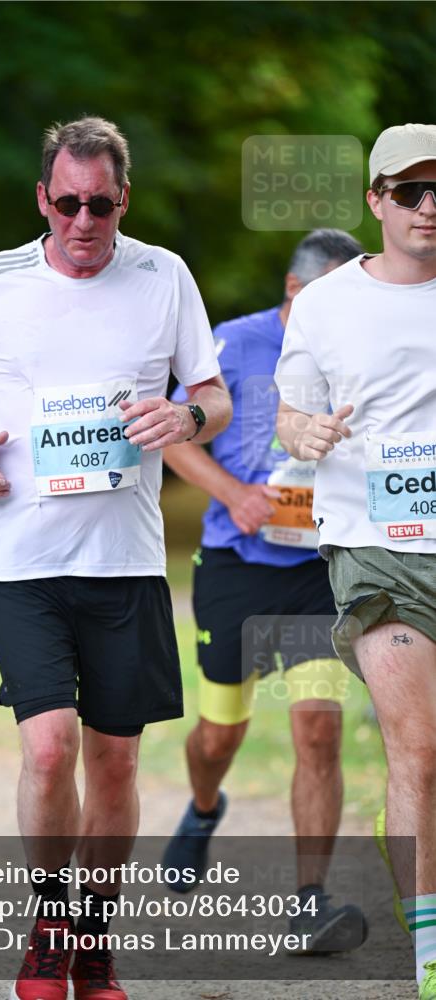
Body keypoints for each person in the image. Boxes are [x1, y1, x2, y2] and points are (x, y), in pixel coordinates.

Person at [0, 116, 231, 1000]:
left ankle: (93, 938)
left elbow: (209, 390)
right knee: (50, 751)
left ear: (122, 200)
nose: (84, 220)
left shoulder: (163, 276)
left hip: (124, 561)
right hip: (21, 557)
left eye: (100, 203)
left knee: (116, 762)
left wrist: (187, 418)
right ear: (43, 200)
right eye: (67, 203)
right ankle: (47, 925)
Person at [161, 228, 368, 952]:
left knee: (317, 726)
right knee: (220, 732)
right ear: (293, 290)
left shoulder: (358, 347)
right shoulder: (234, 343)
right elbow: (175, 435)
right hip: (236, 565)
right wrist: (233, 493)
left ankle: (308, 901)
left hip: (318, 571)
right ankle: (202, 805)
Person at [274, 123, 436, 1000]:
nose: (429, 207)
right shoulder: (329, 302)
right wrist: (307, 430)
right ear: (374, 200)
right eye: (409, 191)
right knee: (418, 748)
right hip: (379, 552)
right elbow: (287, 417)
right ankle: (429, 962)